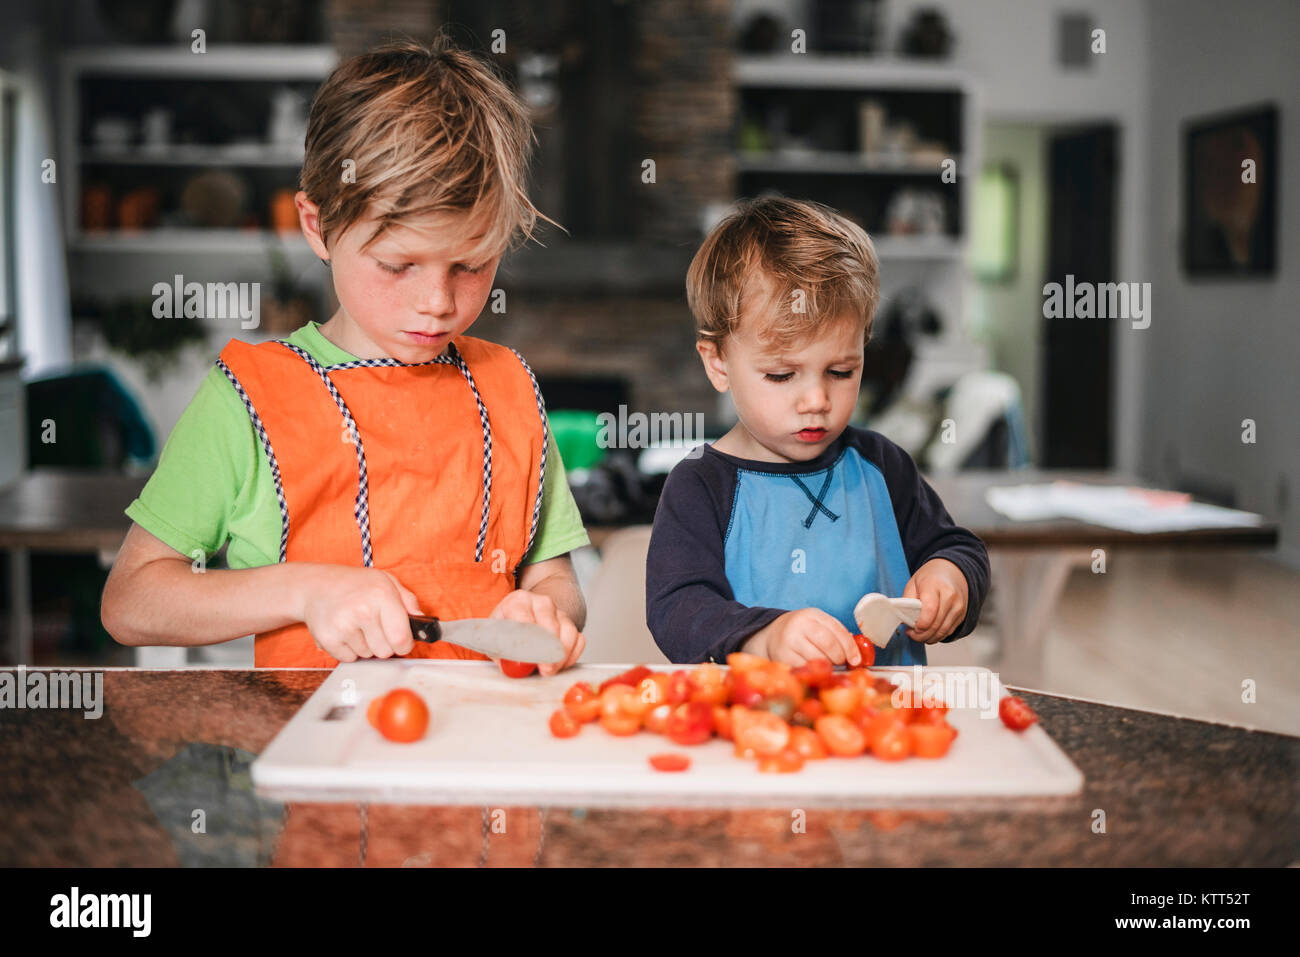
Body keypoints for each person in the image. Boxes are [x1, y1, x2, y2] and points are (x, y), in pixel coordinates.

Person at [102, 38, 589, 672]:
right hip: (306, 749)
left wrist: (546, 613)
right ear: (318, 226)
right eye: (398, 265)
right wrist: (309, 589)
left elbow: (556, 583)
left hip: (480, 745)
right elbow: (131, 602)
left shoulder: (511, 389)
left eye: (470, 265)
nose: (436, 302)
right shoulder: (249, 400)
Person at [646, 197, 989, 666]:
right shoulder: (700, 486)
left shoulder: (882, 467)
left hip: (885, 725)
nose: (817, 401)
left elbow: (957, 546)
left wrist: (950, 578)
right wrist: (764, 636)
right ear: (718, 363)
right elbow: (676, 609)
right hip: (754, 727)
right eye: (783, 376)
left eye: (841, 371)